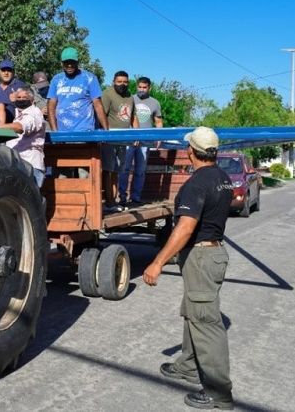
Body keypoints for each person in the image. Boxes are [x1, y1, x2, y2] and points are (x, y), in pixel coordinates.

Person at [142, 126, 235, 411]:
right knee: (193, 312)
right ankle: (189, 365)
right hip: (212, 254)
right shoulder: (223, 177)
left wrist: (157, 262)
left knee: (206, 322)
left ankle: (219, 393)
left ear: (190, 152)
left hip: (202, 256)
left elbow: (185, 228)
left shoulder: (196, 184)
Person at [120, 76, 163, 207]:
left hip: (146, 140)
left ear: (149, 88)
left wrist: (159, 137)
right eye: (139, 87)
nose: (142, 89)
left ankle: (136, 198)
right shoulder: (130, 99)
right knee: (124, 168)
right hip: (130, 139)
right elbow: (123, 116)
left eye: (144, 87)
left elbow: (159, 121)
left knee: (140, 170)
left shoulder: (155, 102)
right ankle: (122, 197)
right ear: (136, 86)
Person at [46, 47, 108, 132]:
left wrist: (106, 132)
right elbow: (51, 107)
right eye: (66, 62)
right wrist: (55, 132)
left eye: (72, 62)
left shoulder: (89, 78)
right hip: (62, 133)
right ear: (61, 63)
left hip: (85, 131)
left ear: (77, 62)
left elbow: (98, 105)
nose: (69, 65)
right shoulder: (56, 80)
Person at [101, 70, 136, 212]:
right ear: (113, 82)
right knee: (108, 169)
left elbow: (133, 117)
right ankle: (108, 201)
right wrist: (105, 135)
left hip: (124, 139)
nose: (122, 84)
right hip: (109, 139)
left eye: (125, 82)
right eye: (119, 82)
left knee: (118, 170)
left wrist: (137, 135)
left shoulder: (130, 96)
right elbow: (102, 114)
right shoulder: (107, 94)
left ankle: (114, 201)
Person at [0, 87, 46, 187]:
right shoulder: (19, 113)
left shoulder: (33, 114)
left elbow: (20, 127)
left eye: (24, 97)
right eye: (18, 97)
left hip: (30, 165)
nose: (21, 99)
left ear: (32, 100)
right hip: (19, 164)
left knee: (29, 200)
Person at [0, 59, 27, 124]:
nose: (6, 73)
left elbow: (30, 105)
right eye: (3, 70)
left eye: (9, 70)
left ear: (13, 73)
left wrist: (18, 99)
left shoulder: (21, 86)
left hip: (14, 126)